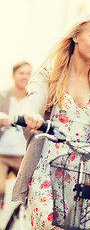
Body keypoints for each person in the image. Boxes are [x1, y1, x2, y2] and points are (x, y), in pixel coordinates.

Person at [12, 16, 90, 230]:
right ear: (76, 36)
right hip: (46, 167)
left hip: (82, 172)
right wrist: (31, 116)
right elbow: (34, 101)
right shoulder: (48, 75)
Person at [0, 62, 32, 204]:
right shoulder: (2, 96)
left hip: (23, 155)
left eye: (28, 73)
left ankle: (20, 217)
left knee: (30, 191)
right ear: (13, 75)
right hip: (2, 154)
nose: (25, 76)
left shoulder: (32, 99)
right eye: (21, 73)